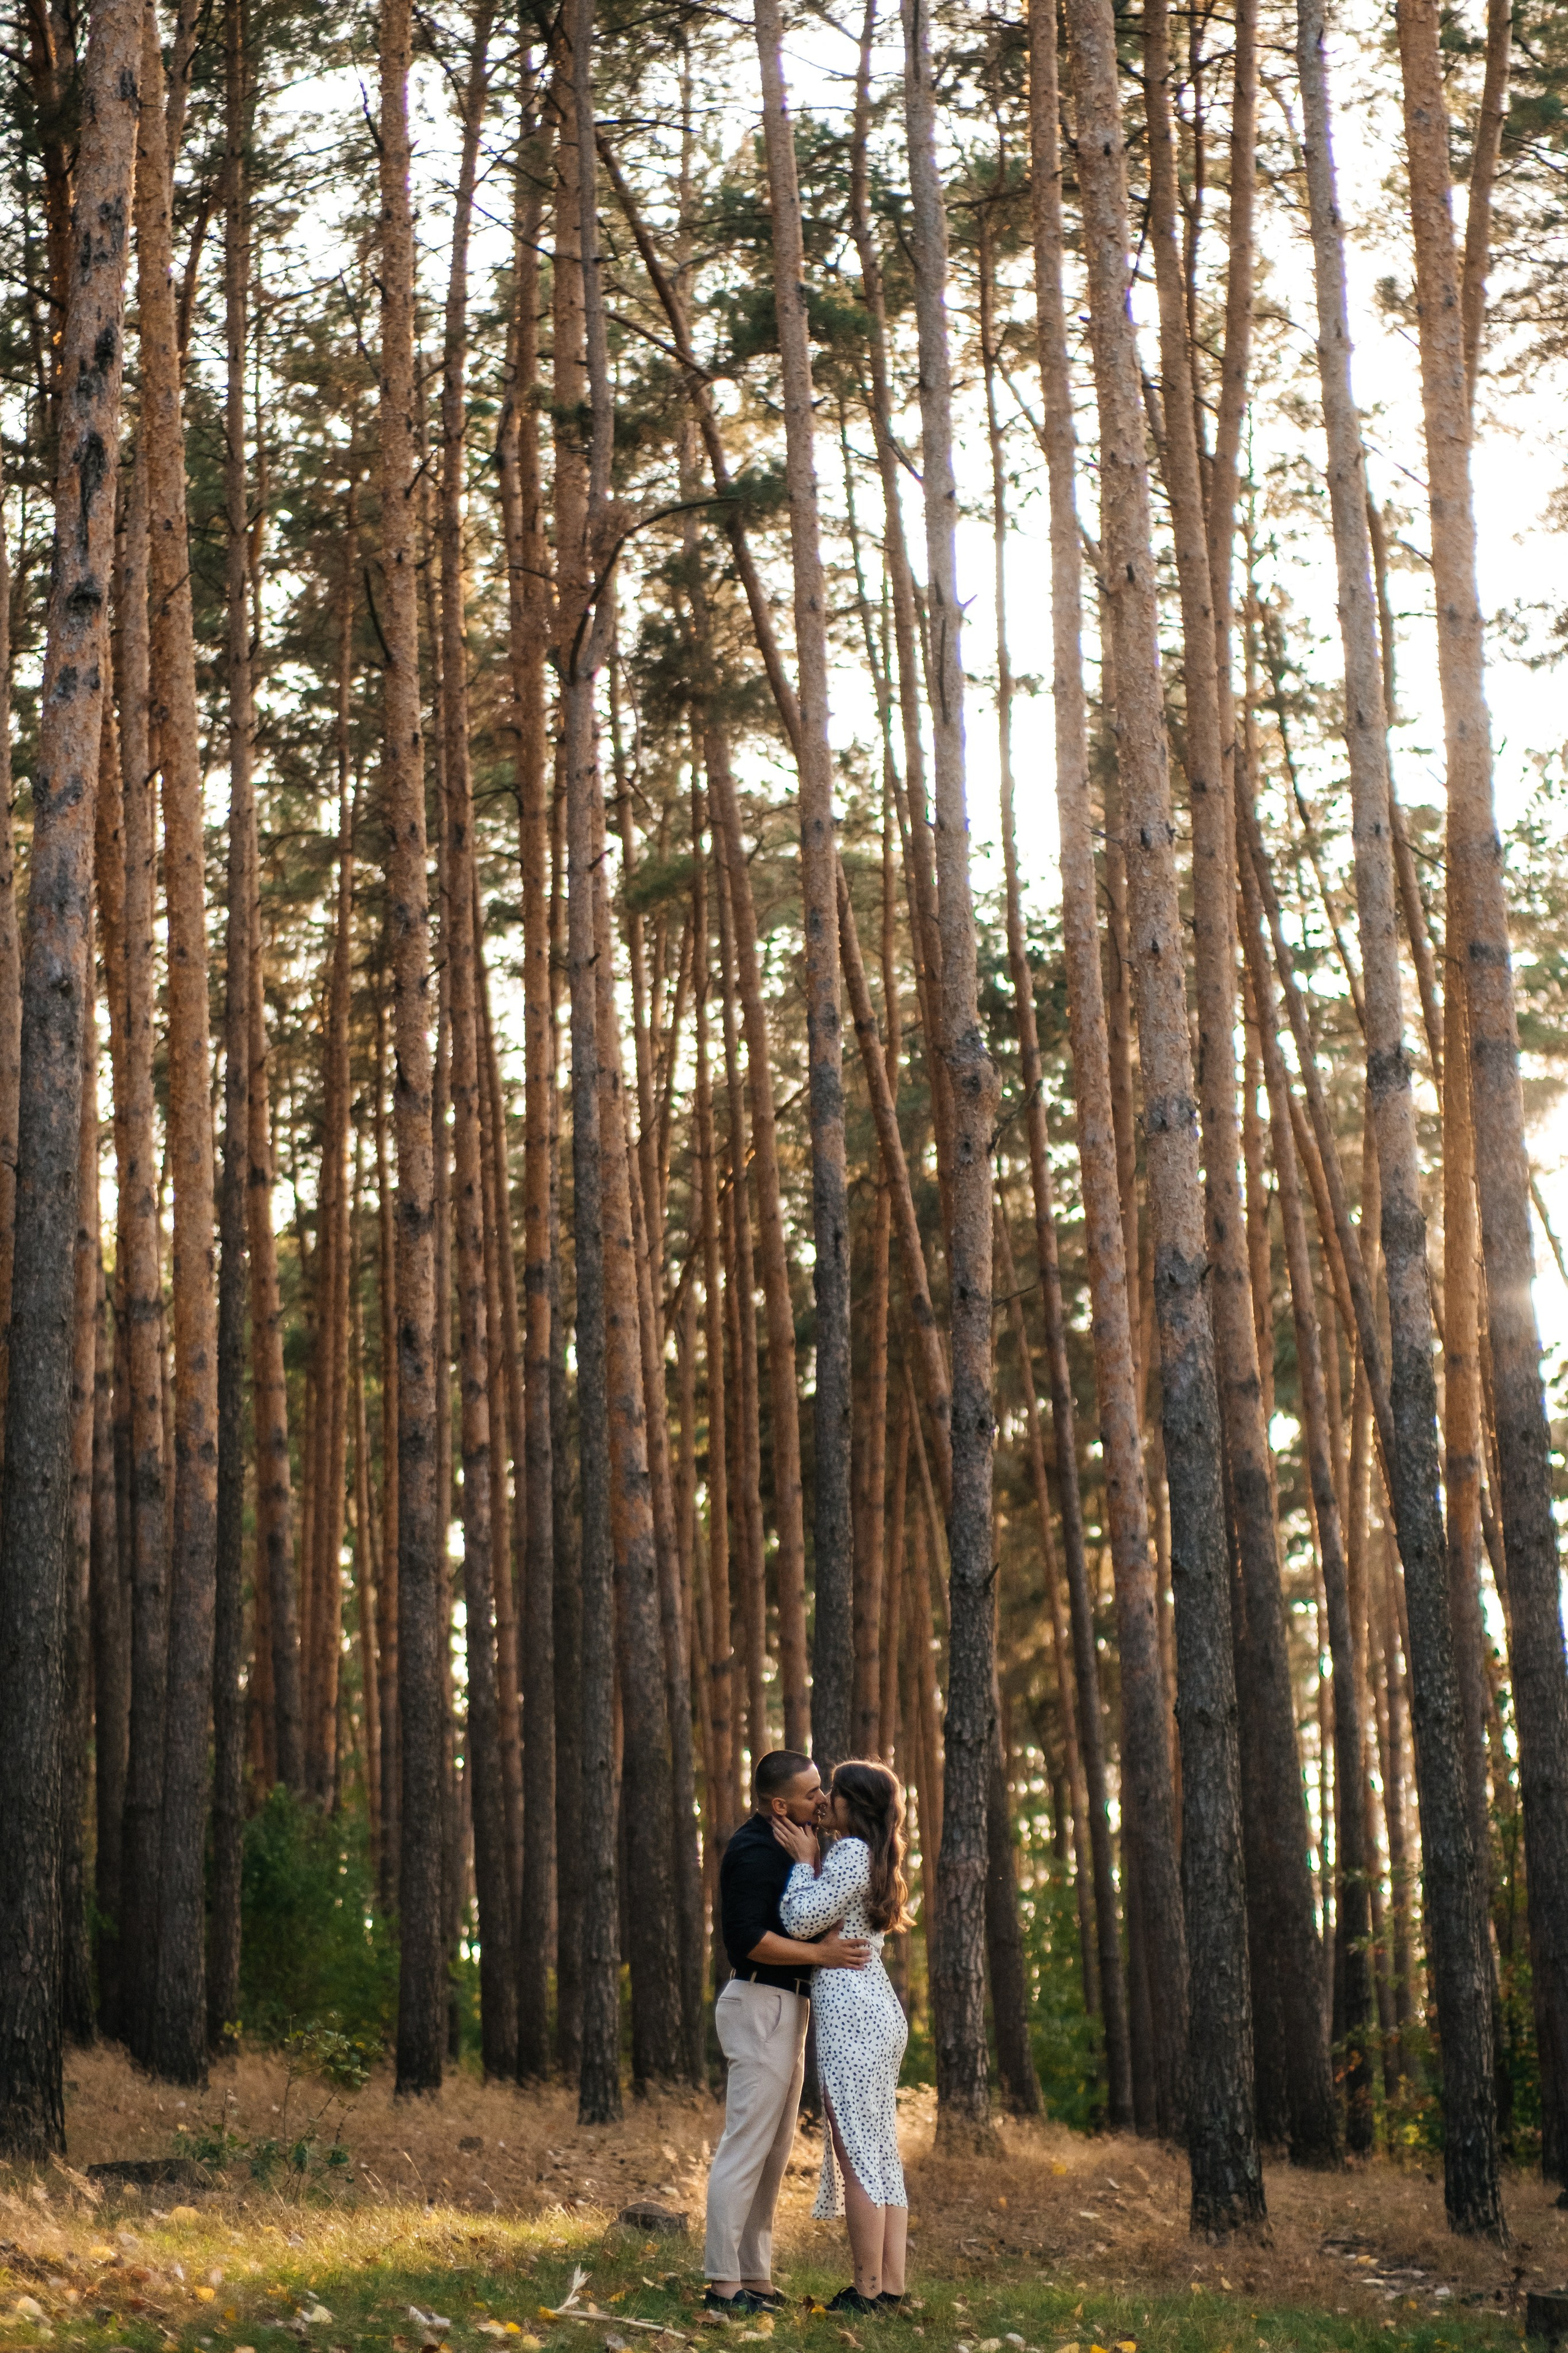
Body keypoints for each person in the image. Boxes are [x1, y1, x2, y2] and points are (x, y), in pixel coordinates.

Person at [703, 1750, 872, 2315]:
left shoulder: (797, 1846)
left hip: (787, 2006)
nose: (822, 1799)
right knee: (746, 2145)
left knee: (773, 2152)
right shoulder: (752, 1850)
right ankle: (723, 2285)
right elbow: (749, 1939)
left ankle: (755, 2275)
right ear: (781, 1804)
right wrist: (820, 1953)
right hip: (759, 2001)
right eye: (811, 1792)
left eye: (823, 1789)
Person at [774, 1758, 913, 2316]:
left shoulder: (850, 1852)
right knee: (879, 2152)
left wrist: (805, 1864)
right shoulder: (875, 1856)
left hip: (854, 2012)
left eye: (835, 1791)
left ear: (856, 1805)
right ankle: (892, 2287)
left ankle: (867, 2289)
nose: (825, 1798)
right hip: (876, 2009)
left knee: (857, 2153)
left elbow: (798, 1919)